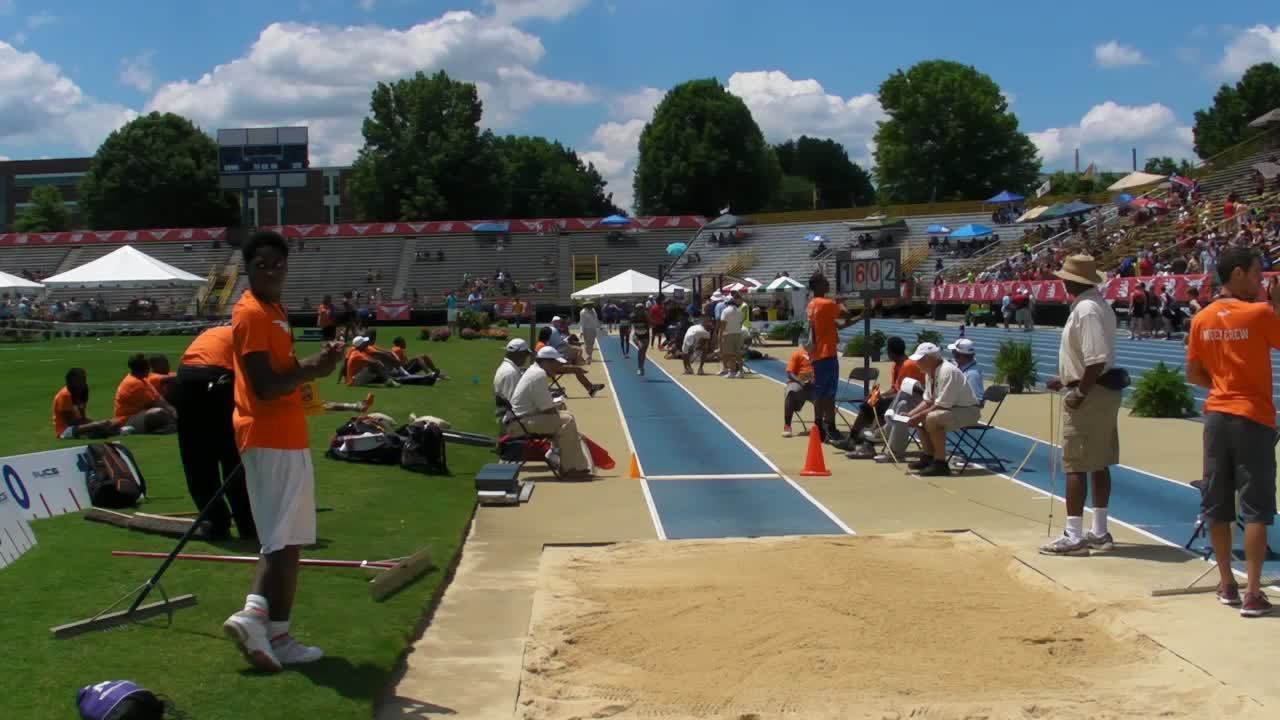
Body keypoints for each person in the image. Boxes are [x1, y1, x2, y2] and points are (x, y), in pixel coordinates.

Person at [221, 230, 345, 673]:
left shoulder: (275, 310)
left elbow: (284, 373)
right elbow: (265, 386)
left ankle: (277, 633)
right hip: (268, 434)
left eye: (278, 265)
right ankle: (254, 616)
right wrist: (311, 369)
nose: (271, 272)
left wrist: (318, 365)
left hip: (287, 435)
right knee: (280, 540)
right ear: (248, 270)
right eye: (262, 266)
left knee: (290, 540)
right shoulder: (252, 313)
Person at [1185, 246, 1278, 616]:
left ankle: (1227, 584)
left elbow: (1193, 373)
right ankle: (1252, 592)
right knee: (1256, 508)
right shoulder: (1259, 313)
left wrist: (1223, 386)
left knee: (1217, 503)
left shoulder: (1202, 318)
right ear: (1237, 274)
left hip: (1216, 417)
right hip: (1252, 417)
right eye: (1257, 273)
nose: (1261, 280)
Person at [1041, 255, 1123, 557]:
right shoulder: (1097, 305)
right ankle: (1099, 531)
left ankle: (1073, 535)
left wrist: (1079, 391)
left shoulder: (1086, 309)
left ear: (1072, 282)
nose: (1062, 282)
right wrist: (1066, 380)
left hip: (1091, 394)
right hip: (1100, 391)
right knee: (1099, 462)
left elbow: (1096, 359)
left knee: (1075, 463)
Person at [175, 325, 256, 541]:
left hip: (186, 378)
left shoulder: (213, 333)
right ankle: (248, 524)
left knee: (196, 457)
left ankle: (216, 522)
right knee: (232, 456)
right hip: (218, 377)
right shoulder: (250, 333)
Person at [507, 346, 592, 478]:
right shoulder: (539, 375)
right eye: (556, 364)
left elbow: (545, 406)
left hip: (520, 420)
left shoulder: (535, 371)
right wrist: (558, 409)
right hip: (520, 424)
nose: (558, 367)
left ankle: (562, 458)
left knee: (566, 416)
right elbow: (547, 408)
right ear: (546, 362)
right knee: (567, 420)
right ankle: (569, 467)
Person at [903, 342, 981, 477]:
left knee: (932, 417)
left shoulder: (948, 371)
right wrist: (910, 414)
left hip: (968, 411)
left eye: (920, 360)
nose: (917, 363)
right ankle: (928, 456)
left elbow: (942, 405)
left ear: (930, 358)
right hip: (952, 408)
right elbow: (928, 400)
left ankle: (940, 463)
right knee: (923, 418)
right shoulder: (930, 372)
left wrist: (918, 416)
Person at [845, 336, 925, 458]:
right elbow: (895, 388)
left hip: (912, 402)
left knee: (878, 406)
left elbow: (905, 392)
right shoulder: (896, 366)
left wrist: (881, 399)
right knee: (871, 403)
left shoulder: (908, 365)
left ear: (890, 352)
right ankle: (855, 439)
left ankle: (865, 443)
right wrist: (879, 395)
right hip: (901, 399)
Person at [806, 272, 853, 443]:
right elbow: (846, 314)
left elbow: (833, 325)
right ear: (818, 285)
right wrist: (841, 301)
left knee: (820, 392)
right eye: (825, 282)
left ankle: (819, 426)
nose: (828, 284)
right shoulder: (826, 303)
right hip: (827, 353)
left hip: (817, 354)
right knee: (829, 393)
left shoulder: (812, 304)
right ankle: (830, 427)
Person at [114, 353, 178, 434]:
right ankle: (171, 426)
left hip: (137, 415)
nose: (150, 369)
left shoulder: (143, 380)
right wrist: (173, 412)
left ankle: (169, 425)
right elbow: (154, 403)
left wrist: (172, 410)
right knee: (157, 412)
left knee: (162, 411)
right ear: (145, 368)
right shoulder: (134, 383)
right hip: (126, 421)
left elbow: (158, 398)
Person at [53, 368, 123, 439]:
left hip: (79, 426)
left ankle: (106, 432)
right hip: (65, 431)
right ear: (73, 381)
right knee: (100, 426)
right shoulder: (65, 395)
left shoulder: (83, 391)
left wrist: (99, 423)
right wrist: (95, 424)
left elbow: (82, 417)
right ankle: (113, 433)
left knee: (114, 423)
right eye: (81, 380)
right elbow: (71, 422)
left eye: (84, 379)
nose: (84, 382)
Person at [535, 327, 604, 396]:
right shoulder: (542, 346)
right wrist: (566, 362)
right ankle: (590, 388)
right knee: (577, 369)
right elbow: (549, 361)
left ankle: (590, 388)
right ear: (548, 336)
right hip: (551, 368)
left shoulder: (542, 344)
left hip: (552, 366)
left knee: (576, 368)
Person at [782, 341, 815, 437]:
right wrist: (800, 381)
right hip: (798, 381)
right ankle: (787, 426)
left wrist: (814, 380)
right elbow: (790, 372)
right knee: (791, 391)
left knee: (825, 396)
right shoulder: (797, 354)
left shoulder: (820, 356)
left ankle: (820, 426)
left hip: (815, 384)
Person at [494, 338, 531, 407]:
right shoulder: (511, 373)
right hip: (510, 412)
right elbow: (514, 402)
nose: (526, 357)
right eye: (526, 354)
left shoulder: (507, 367)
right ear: (519, 354)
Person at [719, 292, 745, 378]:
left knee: (730, 354)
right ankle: (741, 372)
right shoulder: (739, 311)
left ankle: (732, 372)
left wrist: (720, 335)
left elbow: (723, 325)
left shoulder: (725, 311)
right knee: (738, 354)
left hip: (728, 334)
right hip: (738, 334)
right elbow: (740, 324)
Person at [631, 303, 651, 376]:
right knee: (641, 347)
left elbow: (651, 324)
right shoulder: (633, 316)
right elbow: (629, 324)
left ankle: (641, 367)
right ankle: (639, 368)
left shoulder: (646, 316)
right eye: (638, 309)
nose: (639, 311)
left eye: (641, 309)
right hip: (636, 336)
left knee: (643, 353)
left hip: (645, 336)